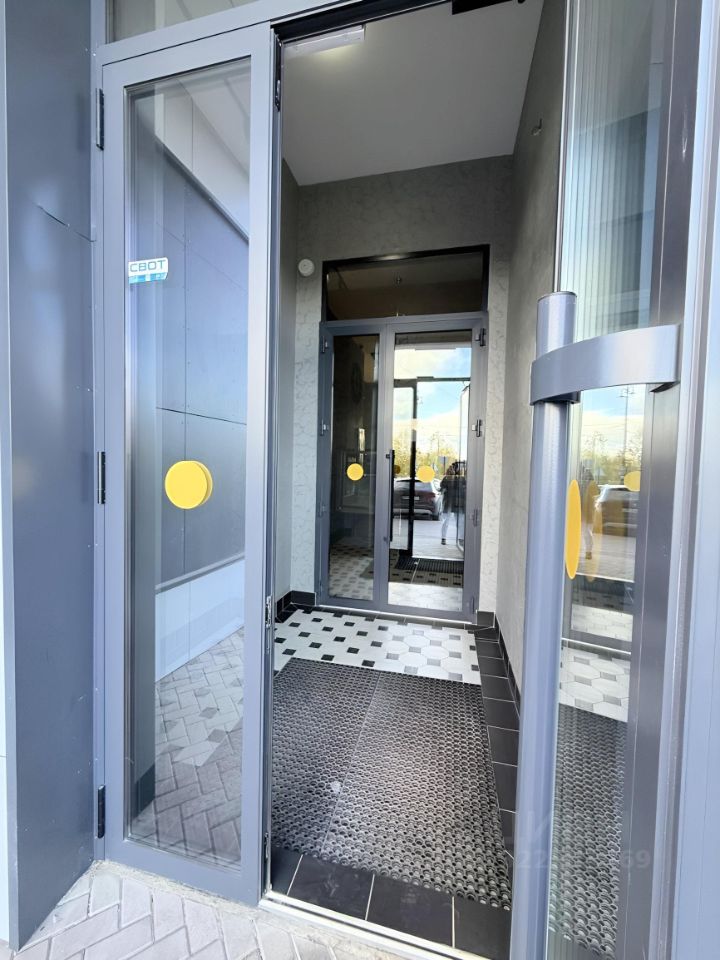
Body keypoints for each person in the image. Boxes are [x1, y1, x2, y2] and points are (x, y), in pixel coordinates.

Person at [440, 462, 464, 545]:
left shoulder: (461, 479)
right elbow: (442, 489)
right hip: (450, 502)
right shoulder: (447, 478)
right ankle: (444, 538)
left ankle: (460, 539)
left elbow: (465, 490)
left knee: (459, 522)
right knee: (447, 521)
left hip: (457, 502)